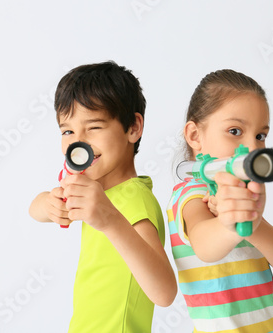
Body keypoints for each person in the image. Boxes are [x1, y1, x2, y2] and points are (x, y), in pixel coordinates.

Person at [29, 61, 177, 332]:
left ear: (133, 127)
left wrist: (110, 220)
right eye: (68, 131)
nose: (78, 141)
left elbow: (165, 292)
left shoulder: (134, 199)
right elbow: (34, 209)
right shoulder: (93, 189)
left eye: (94, 127)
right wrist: (49, 204)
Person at [167, 69, 273, 332]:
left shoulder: (245, 198)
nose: (253, 148)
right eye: (235, 131)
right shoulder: (190, 193)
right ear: (194, 136)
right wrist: (228, 224)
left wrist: (255, 224)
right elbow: (204, 245)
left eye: (260, 135)